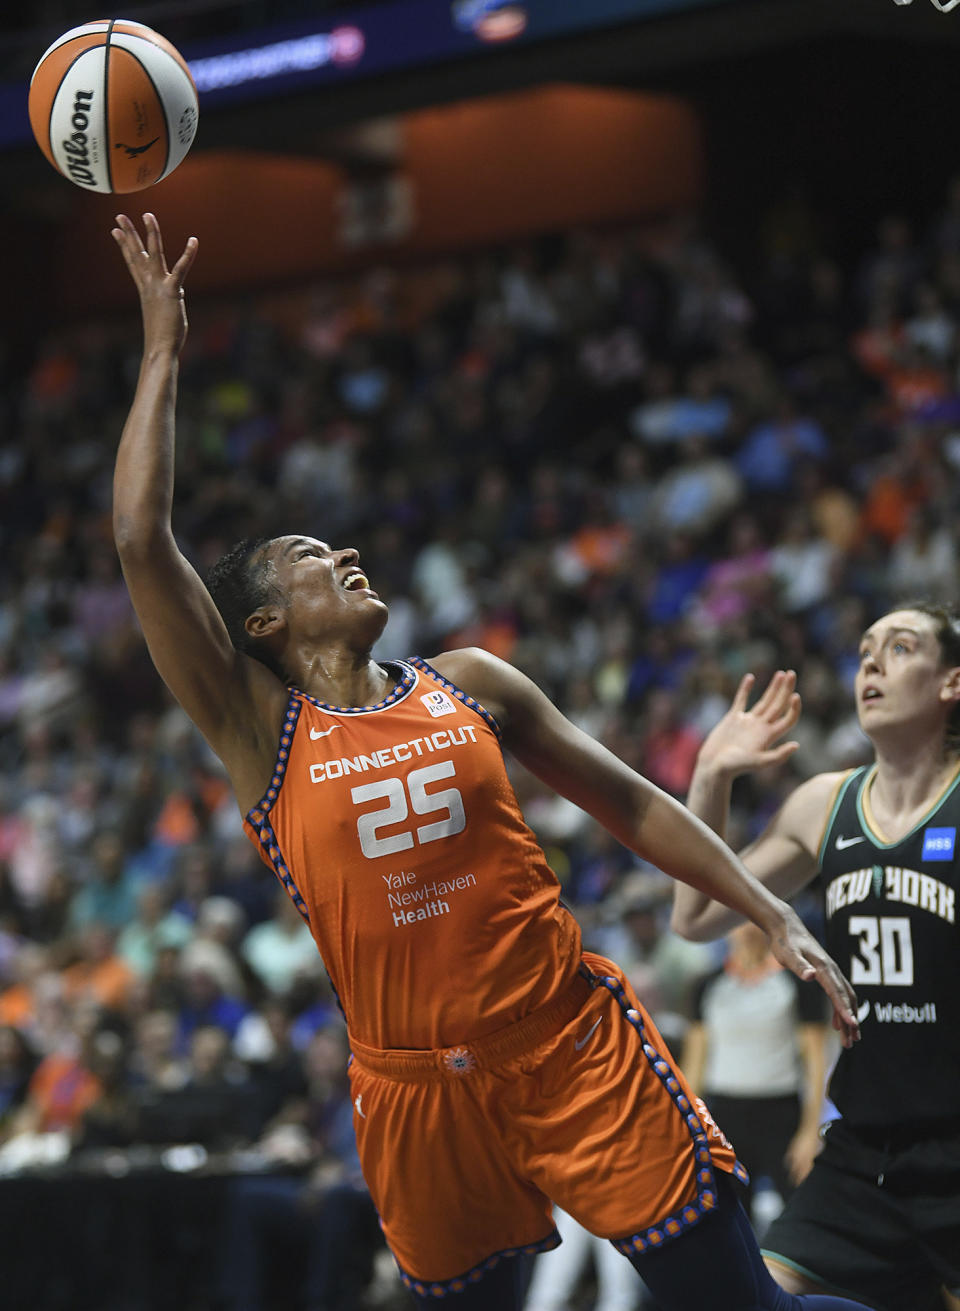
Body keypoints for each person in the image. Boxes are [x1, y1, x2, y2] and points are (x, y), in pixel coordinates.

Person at [110, 212, 868, 1311]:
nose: (349, 556)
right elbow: (141, 542)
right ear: (266, 624)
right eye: (316, 560)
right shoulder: (255, 726)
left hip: (568, 1043)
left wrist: (766, 907)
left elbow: (628, 803)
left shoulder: (470, 679)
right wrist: (163, 353)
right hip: (417, 1095)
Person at [672, 632, 960, 1311]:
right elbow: (695, 914)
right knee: (755, 1302)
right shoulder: (824, 803)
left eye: (901, 646)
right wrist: (712, 774)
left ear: (952, 682)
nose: (870, 661)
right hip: (863, 1155)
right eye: (864, 649)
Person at [681, 921, 829, 1229]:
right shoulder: (707, 986)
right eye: (735, 921)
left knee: (804, 1218)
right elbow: (694, 1066)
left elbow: (816, 1063)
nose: (745, 929)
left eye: (752, 920)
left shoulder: (797, 984)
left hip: (781, 1115)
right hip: (723, 1117)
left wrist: (810, 1131)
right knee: (728, 1225)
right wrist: (685, 1131)